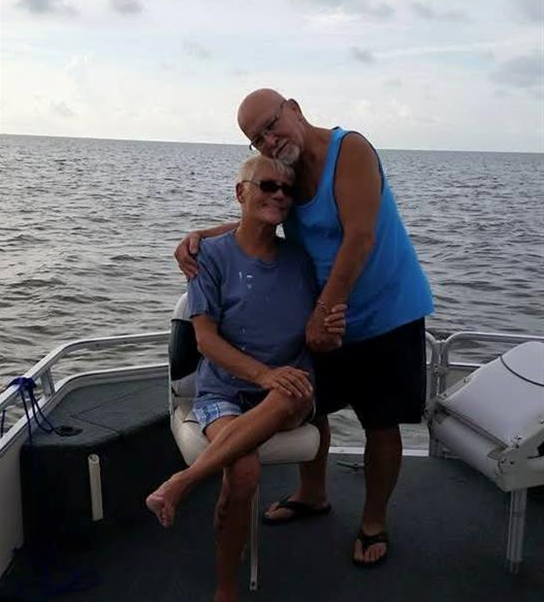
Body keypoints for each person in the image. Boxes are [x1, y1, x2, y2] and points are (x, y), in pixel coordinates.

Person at [175, 90, 434, 571]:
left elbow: (360, 236)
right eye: (258, 139)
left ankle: (374, 520)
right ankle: (312, 493)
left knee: (381, 420)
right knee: (314, 403)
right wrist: (203, 237)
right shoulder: (288, 175)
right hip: (327, 313)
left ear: (294, 107)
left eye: (273, 125)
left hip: (384, 314)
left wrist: (323, 311)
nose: (270, 140)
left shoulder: (349, 149)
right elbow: (266, 212)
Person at [147, 154, 345, 602]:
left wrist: (328, 332)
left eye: (287, 189)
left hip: (290, 394)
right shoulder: (208, 257)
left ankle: (184, 483)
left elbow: (322, 329)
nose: (279, 195)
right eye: (267, 186)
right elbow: (206, 339)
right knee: (246, 468)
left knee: (290, 389)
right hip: (225, 392)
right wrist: (260, 373)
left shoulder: (303, 259)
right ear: (241, 193)